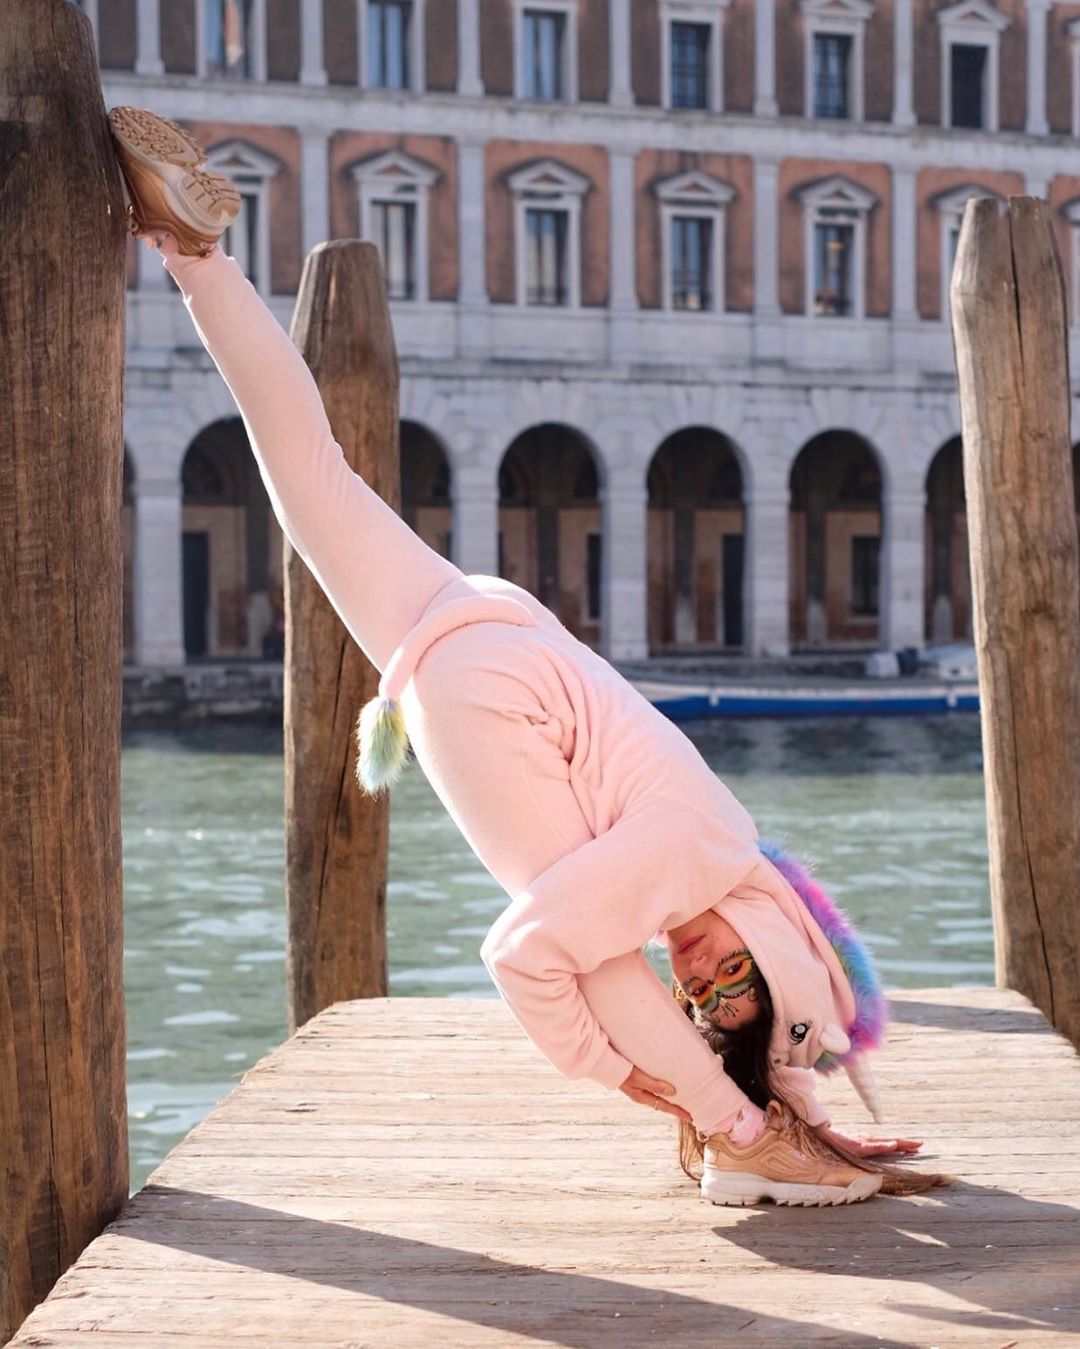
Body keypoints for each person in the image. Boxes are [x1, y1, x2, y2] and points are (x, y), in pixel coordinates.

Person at [109, 105, 937, 1208]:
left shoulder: (726, 853)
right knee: (581, 950)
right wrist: (703, 1104)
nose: (695, 971)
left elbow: (791, 989)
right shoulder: (697, 857)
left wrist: (810, 1100)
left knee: (310, 480)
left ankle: (192, 254)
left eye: (703, 996)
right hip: (492, 697)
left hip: (500, 631)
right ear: (770, 934)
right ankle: (738, 1140)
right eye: (729, 967)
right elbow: (526, 955)